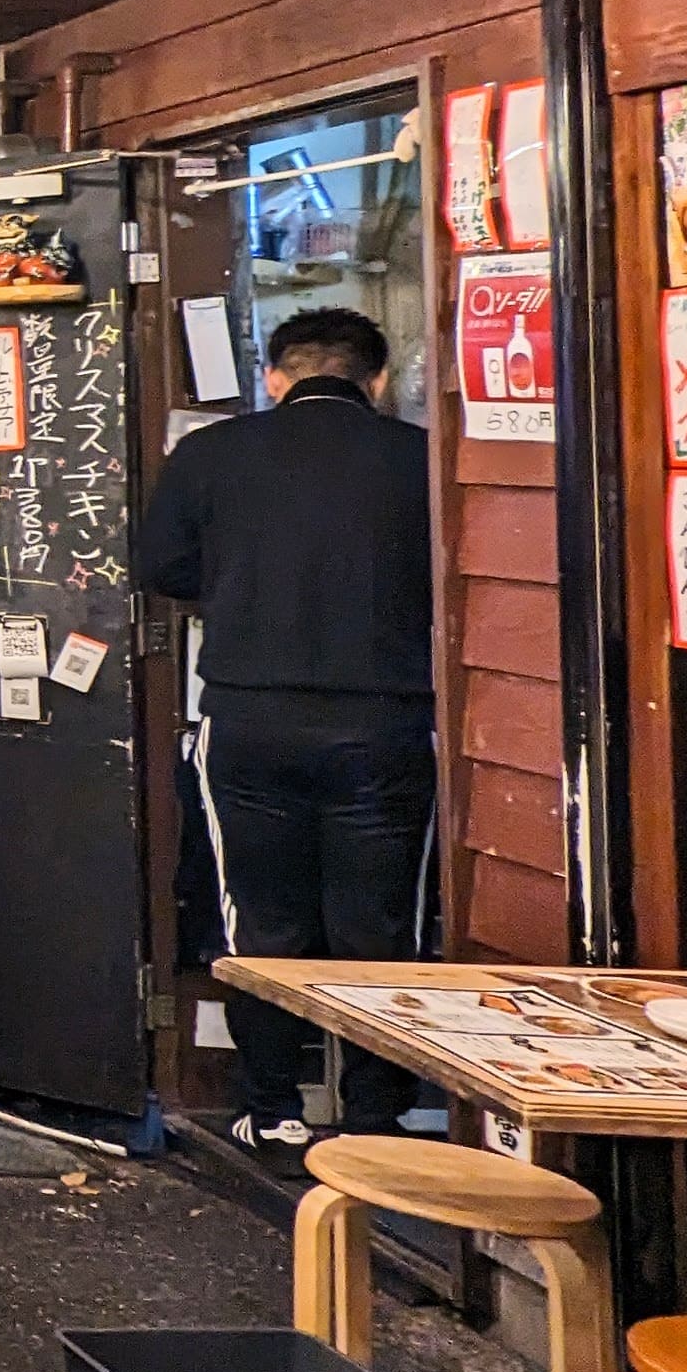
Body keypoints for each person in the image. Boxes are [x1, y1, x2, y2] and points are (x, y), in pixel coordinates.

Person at [141, 302, 436, 1170]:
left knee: (259, 918)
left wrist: (242, 586)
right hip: (385, 723)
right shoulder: (418, 458)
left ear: (277, 377)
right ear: (373, 381)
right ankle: (378, 1120)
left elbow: (163, 569)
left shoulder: (210, 454)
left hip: (249, 719)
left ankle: (272, 1109)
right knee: (380, 925)